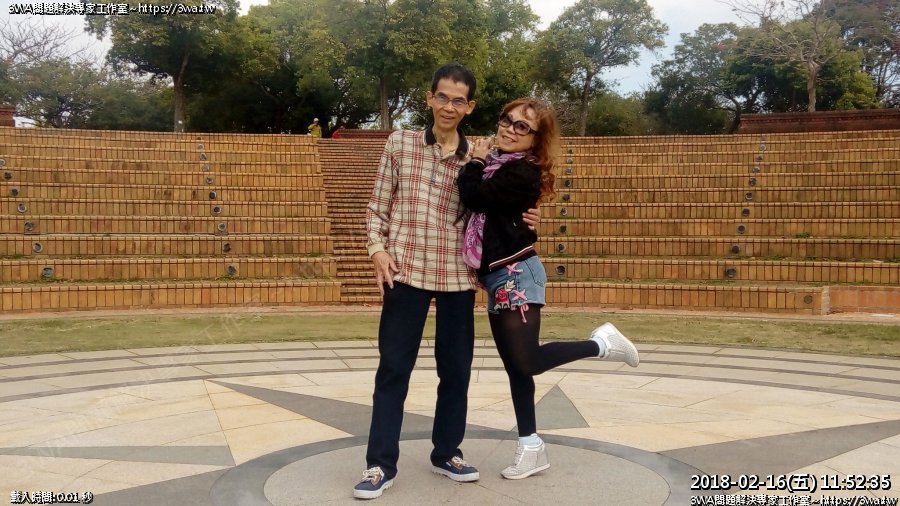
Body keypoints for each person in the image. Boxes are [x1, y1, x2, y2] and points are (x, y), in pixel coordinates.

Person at [354, 63, 541, 500]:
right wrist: (377, 249)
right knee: (393, 369)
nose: (449, 107)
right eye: (442, 97)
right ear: (429, 98)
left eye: (459, 100)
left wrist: (530, 215)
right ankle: (380, 464)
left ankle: (447, 453)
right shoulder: (400, 143)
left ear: (469, 106)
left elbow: (508, 198)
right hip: (406, 271)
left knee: (455, 371)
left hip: (458, 275)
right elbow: (378, 206)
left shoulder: (481, 155)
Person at [456, 98, 640, 480]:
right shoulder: (499, 165)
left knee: (526, 361)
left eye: (521, 126)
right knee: (517, 369)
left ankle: (602, 344)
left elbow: (474, 196)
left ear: (535, 140)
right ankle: (531, 446)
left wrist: (474, 161)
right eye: (507, 120)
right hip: (497, 277)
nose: (509, 128)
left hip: (516, 274)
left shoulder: (521, 171)